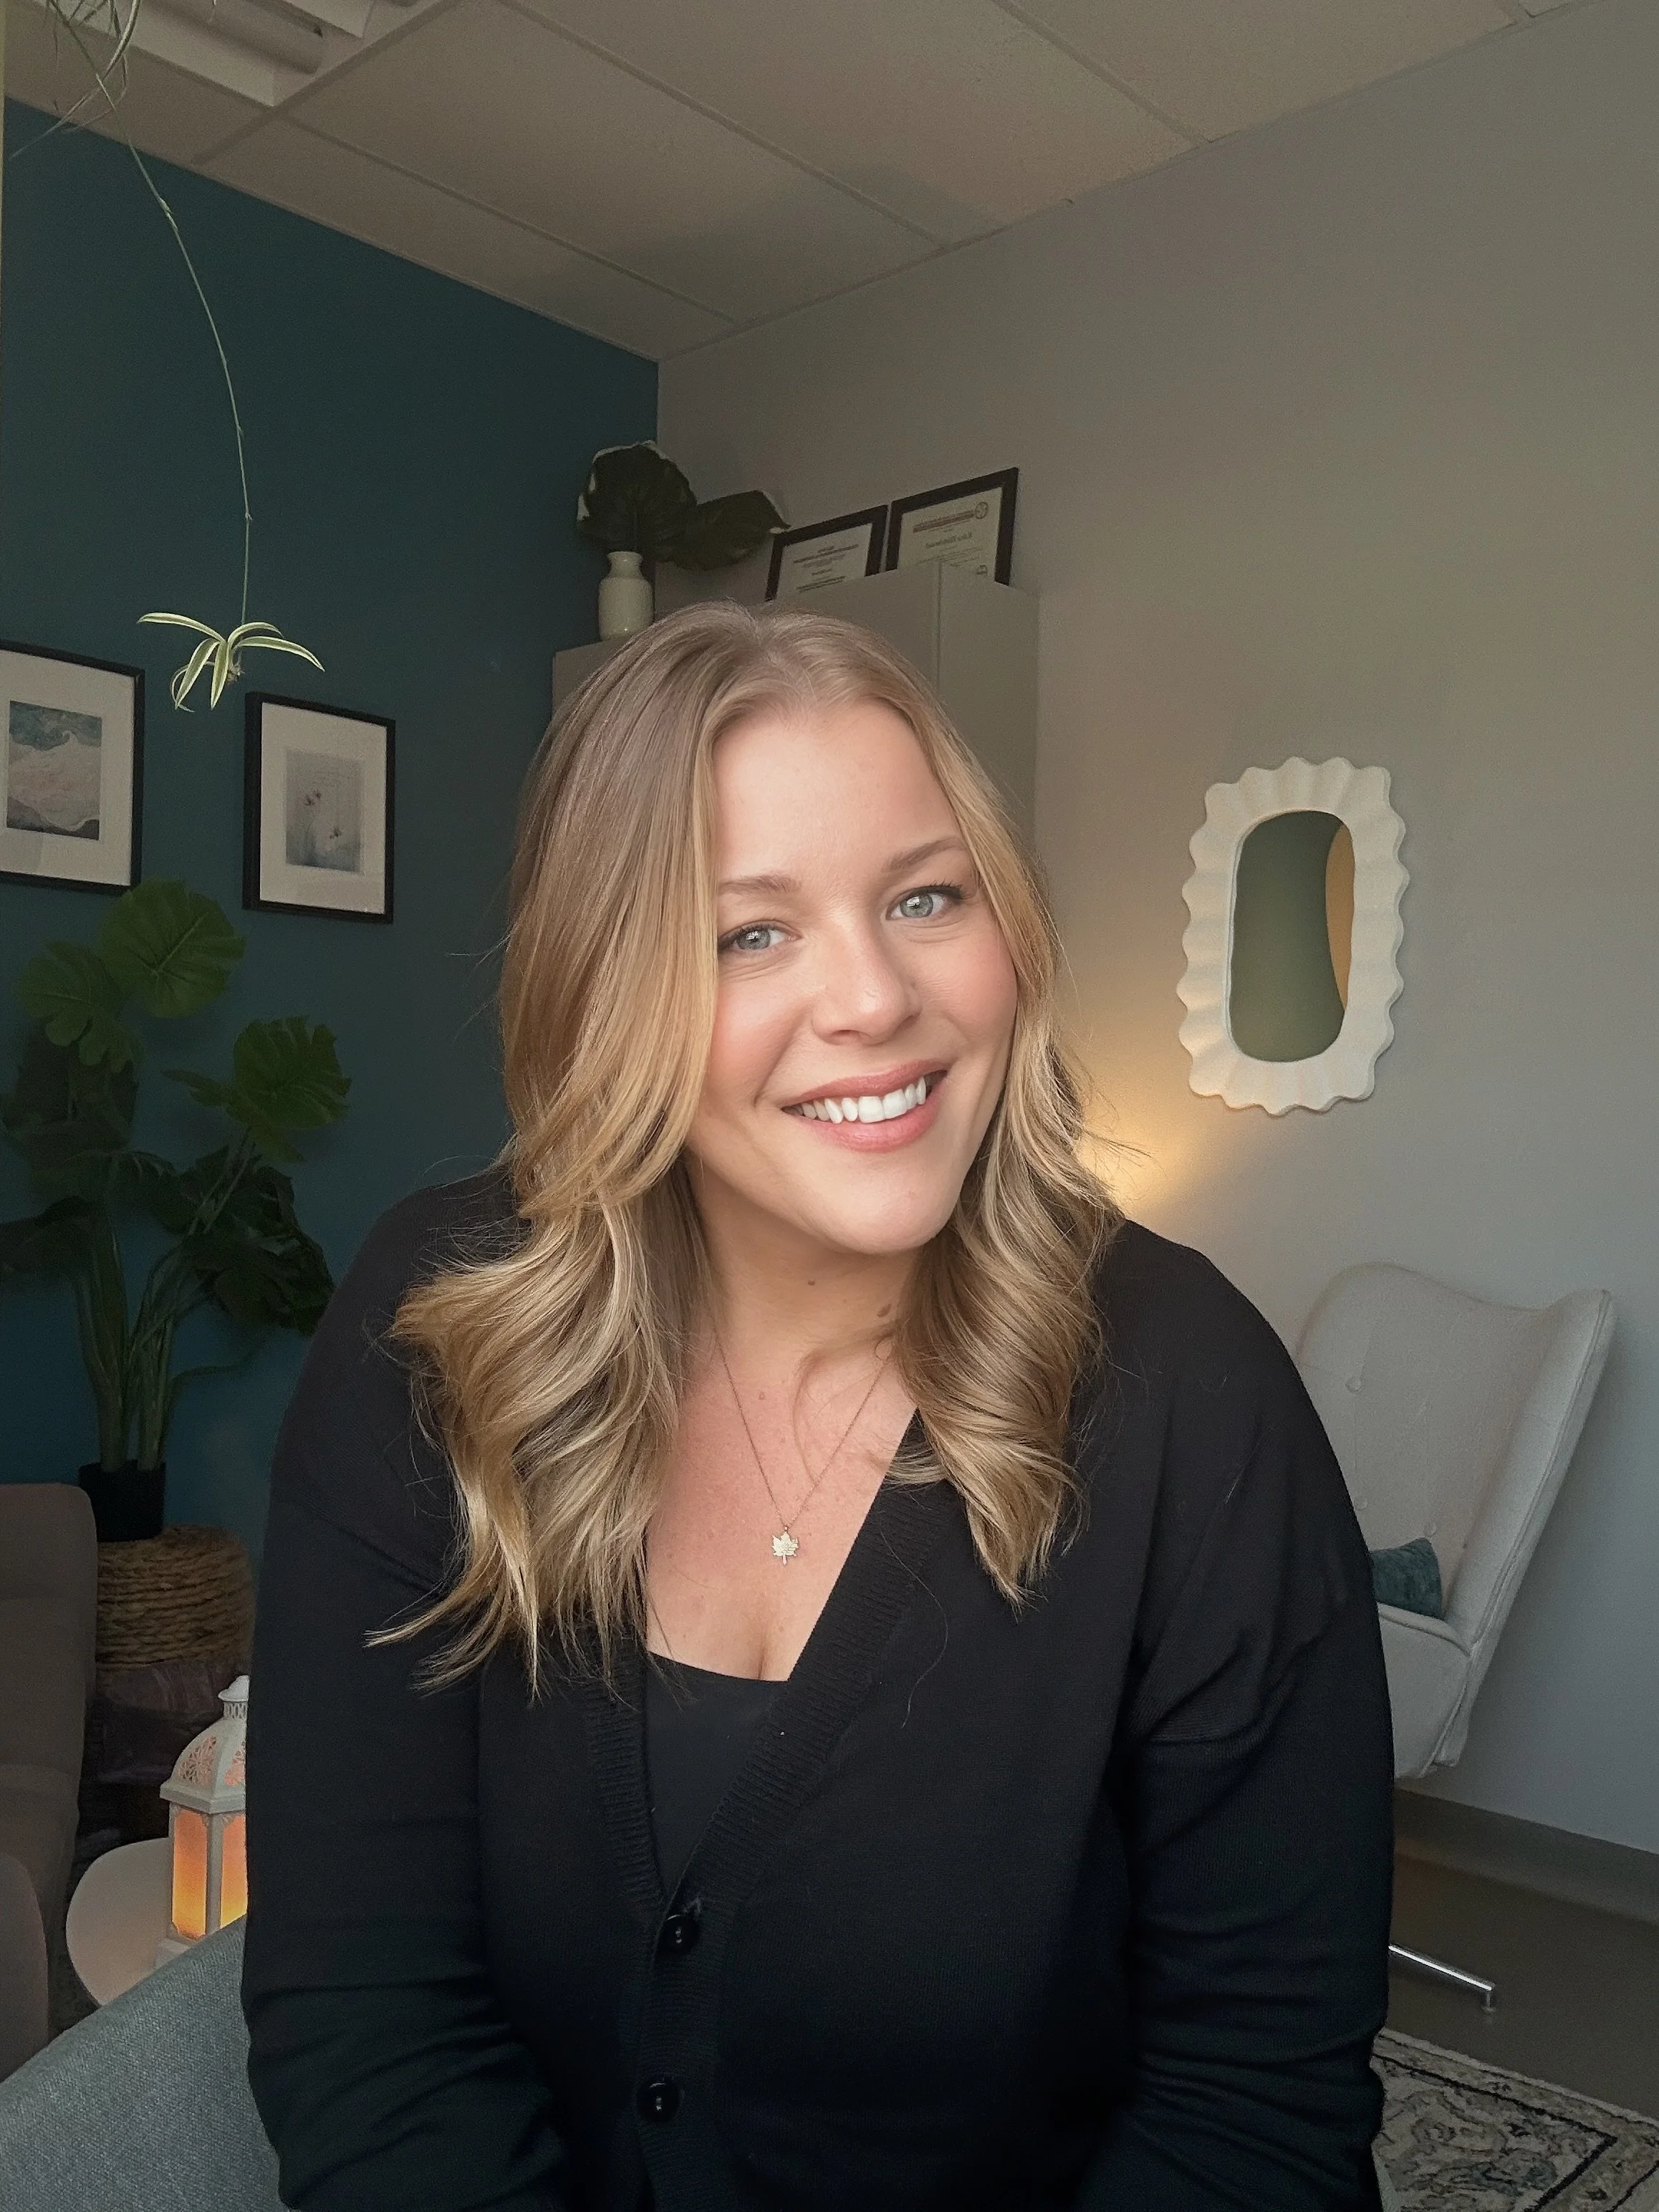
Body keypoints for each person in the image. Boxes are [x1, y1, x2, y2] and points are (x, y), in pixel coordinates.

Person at [241, 602, 1394, 2212]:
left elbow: (1251, 2116)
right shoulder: (435, 1327)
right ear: (608, 986)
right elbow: (370, 2017)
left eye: (926, 896)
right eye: (750, 933)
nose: (873, 997)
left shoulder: (1195, 1396)